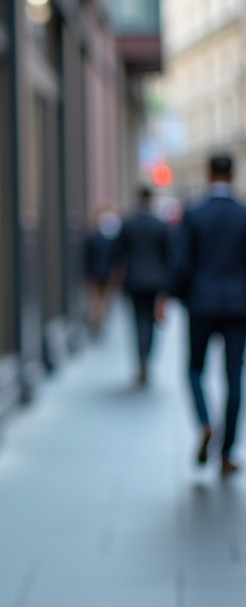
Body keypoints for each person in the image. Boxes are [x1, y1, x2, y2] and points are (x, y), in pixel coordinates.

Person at [171, 154, 246, 477]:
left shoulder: (194, 213)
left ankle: (204, 422)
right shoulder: (243, 214)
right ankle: (227, 453)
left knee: (194, 369)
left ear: (207, 175)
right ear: (233, 175)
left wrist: (176, 297)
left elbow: (181, 262)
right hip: (238, 306)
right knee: (234, 377)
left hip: (201, 303)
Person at [112, 187, 170, 385]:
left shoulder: (129, 223)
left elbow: (117, 251)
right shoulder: (160, 224)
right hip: (155, 280)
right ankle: (147, 358)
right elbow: (168, 255)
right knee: (151, 322)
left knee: (138, 321)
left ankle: (141, 359)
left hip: (134, 280)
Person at [83, 206, 120, 336]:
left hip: (93, 273)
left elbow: (86, 257)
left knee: (95, 300)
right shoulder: (109, 241)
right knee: (103, 299)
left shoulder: (91, 239)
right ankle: (99, 321)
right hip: (105, 274)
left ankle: (96, 321)